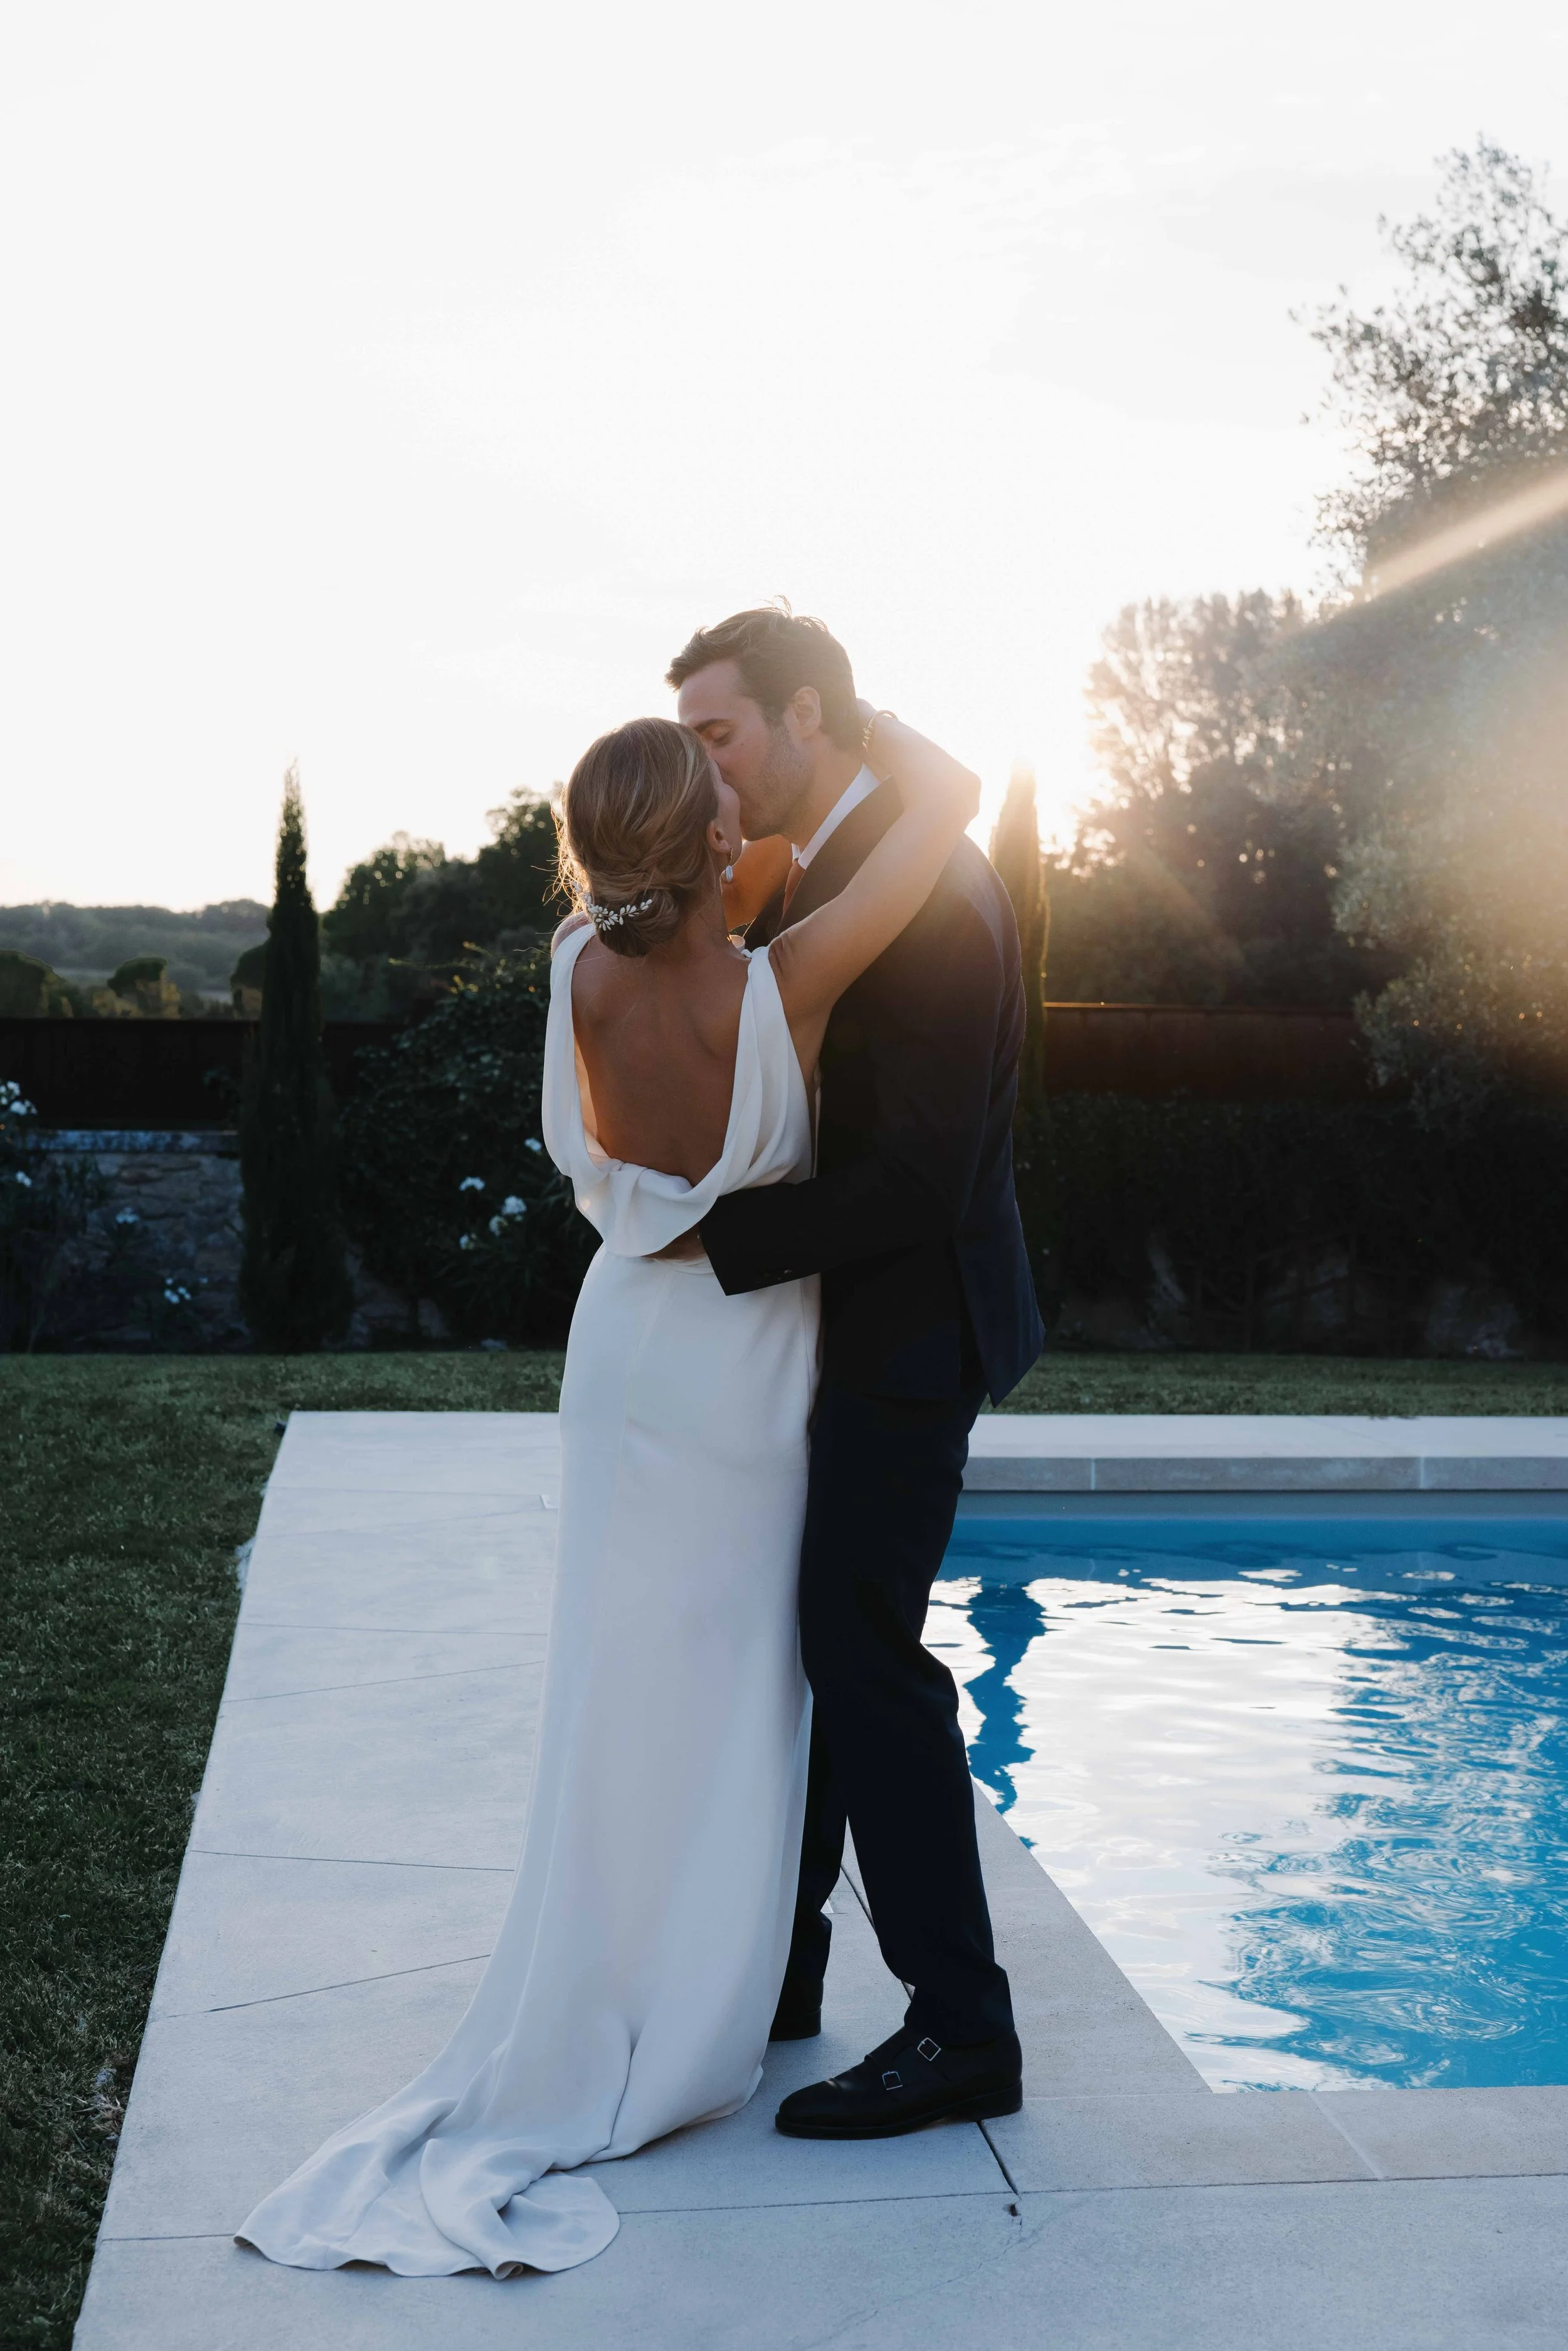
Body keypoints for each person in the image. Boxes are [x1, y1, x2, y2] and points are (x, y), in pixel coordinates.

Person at [236, 697, 983, 2281]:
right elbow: (939, 820)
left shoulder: (580, 966)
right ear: (712, 841)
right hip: (739, 1364)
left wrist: (692, 837)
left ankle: (631, 1969)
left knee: (617, 1680)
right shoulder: (788, 976)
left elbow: (673, 891)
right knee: (735, 1689)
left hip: (619, 1346)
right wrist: (855, 724)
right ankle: (709, 1995)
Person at [670, 606, 1044, 2141]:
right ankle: (786, 1966)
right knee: (818, 1644)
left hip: (911, 1329)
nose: (706, 772)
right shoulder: (841, 855)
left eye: (720, 736)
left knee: (862, 1652)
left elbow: (919, 1178)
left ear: (808, 714)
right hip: (853, 1321)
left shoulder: (926, 888)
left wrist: (707, 1235)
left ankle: (963, 2027)